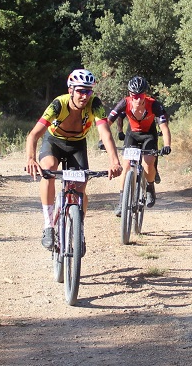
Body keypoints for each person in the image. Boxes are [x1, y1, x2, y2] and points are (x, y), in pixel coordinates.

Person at [25, 69, 123, 250]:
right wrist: (31, 158)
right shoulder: (58, 105)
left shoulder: (95, 105)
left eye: (88, 91)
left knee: (80, 187)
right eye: (80, 91)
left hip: (77, 145)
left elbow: (105, 133)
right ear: (70, 90)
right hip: (54, 142)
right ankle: (48, 226)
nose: (85, 96)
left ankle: (79, 228)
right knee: (49, 170)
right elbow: (33, 135)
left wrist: (114, 161)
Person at [108, 75, 171, 215]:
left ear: (145, 94)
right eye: (133, 95)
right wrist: (103, 138)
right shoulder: (125, 103)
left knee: (148, 161)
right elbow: (108, 121)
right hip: (132, 135)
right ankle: (121, 201)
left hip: (149, 134)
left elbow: (164, 127)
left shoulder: (153, 104)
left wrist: (167, 144)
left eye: (140, 95)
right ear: (130, 94)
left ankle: (150, 187)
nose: (137, 99)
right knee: (125, 167)